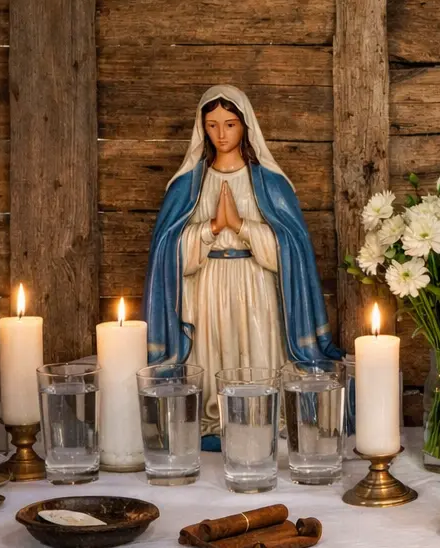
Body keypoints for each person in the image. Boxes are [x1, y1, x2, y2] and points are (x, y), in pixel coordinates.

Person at [144, 85, 341, 441]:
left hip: (256, 283)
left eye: (230, 124)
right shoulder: (188, 185)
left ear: (246, 125)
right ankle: (214, 421)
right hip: (207, 286)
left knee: (258, 350)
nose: (221, 134)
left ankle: (259, 417)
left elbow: (291, 248)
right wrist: (212, 229)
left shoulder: (269, 183)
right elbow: (167, 253)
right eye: (213, 125)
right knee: (215, 351)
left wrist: (241, 227)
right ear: (201, 128)